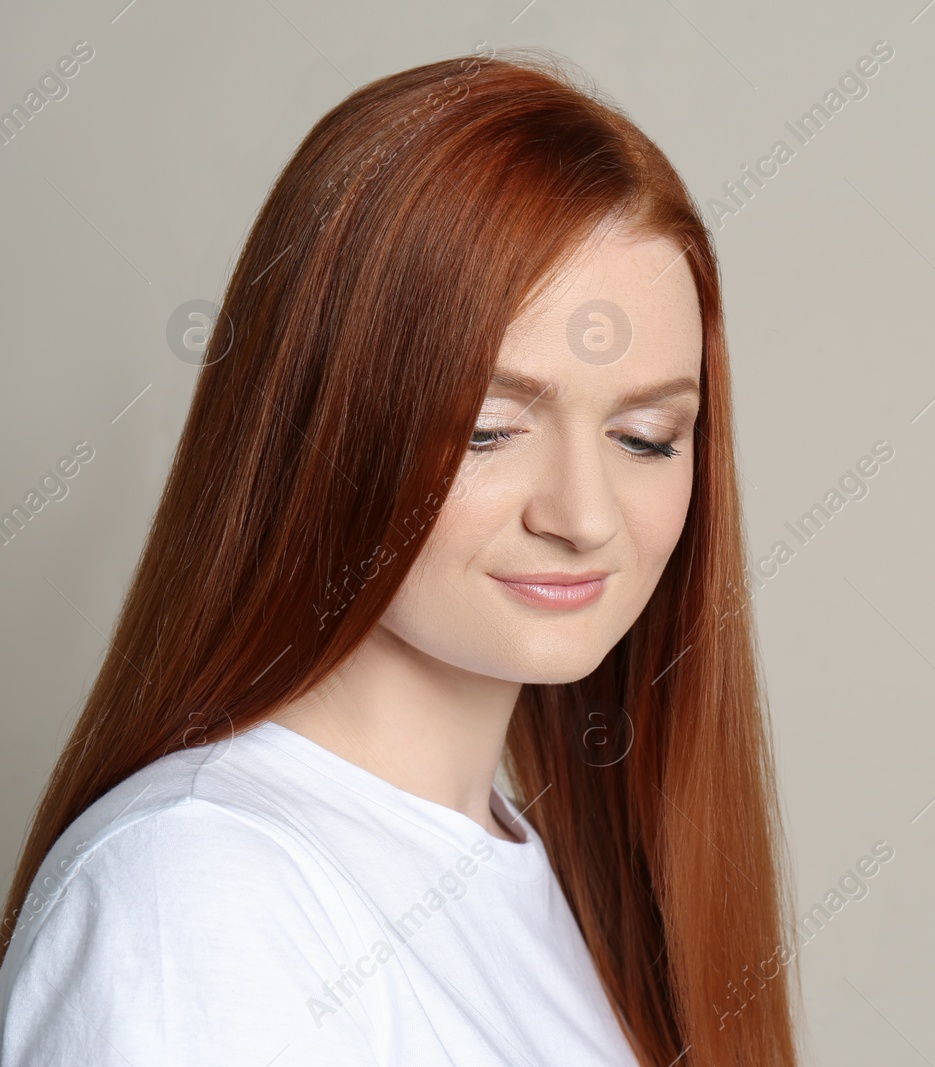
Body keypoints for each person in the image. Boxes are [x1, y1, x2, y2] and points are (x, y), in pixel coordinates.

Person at [0, 45, 799, 1066]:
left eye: (645, 437)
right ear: (320, 424)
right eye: (487, 429)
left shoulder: (560, 895)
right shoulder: (198, 892)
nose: (585, 514)